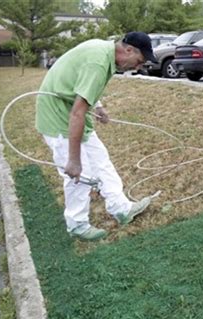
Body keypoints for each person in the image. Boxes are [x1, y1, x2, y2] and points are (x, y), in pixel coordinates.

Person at [35, 32, 157, 241]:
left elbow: (82, 82)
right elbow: (77, 113)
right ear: (128, 50)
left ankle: (121, 208)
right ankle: (77, 224)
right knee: (80, 175)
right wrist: (73, 160)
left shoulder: (105, 53)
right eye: (139, 62)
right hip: (59, 117)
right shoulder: (99, 63)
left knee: (101, 160)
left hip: (70, 109)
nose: (137, 68)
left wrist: (98, 105)